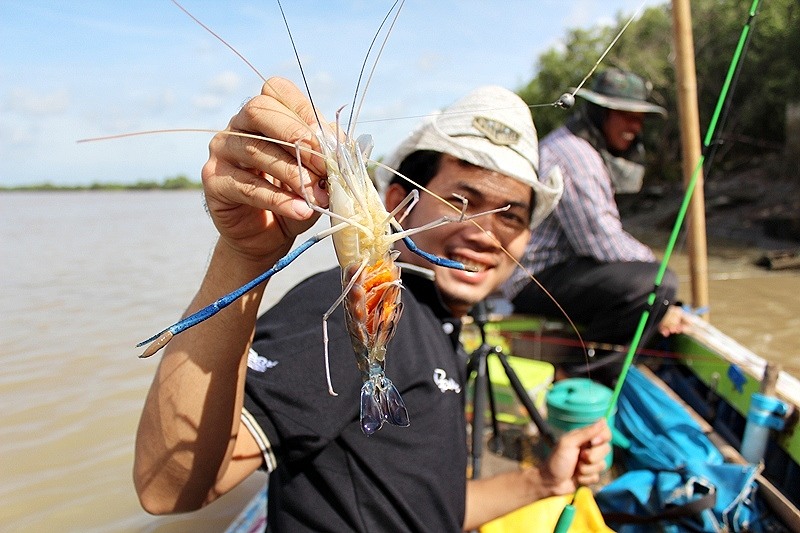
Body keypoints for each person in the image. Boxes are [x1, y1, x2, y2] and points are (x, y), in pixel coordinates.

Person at [133, 77, 612, 532]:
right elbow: (166, 488)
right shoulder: (338, 302)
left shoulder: (442, 323)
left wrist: (544, 480)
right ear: (399, 203)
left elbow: (427, 505)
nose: (486, 233)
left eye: (512, 216)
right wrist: (242, 256)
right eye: (463, 201)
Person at [501, 68, 686, 386]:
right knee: (658, 283)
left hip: (553, 271)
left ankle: (600, 363)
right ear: (600, 113)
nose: (634, 127)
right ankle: (578, 372)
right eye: (625, 115)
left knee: (654, 284)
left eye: (639, 118)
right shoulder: (575, 155)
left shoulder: (573, 145)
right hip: (533, 280)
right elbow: (602, 243)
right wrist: (663, 286)